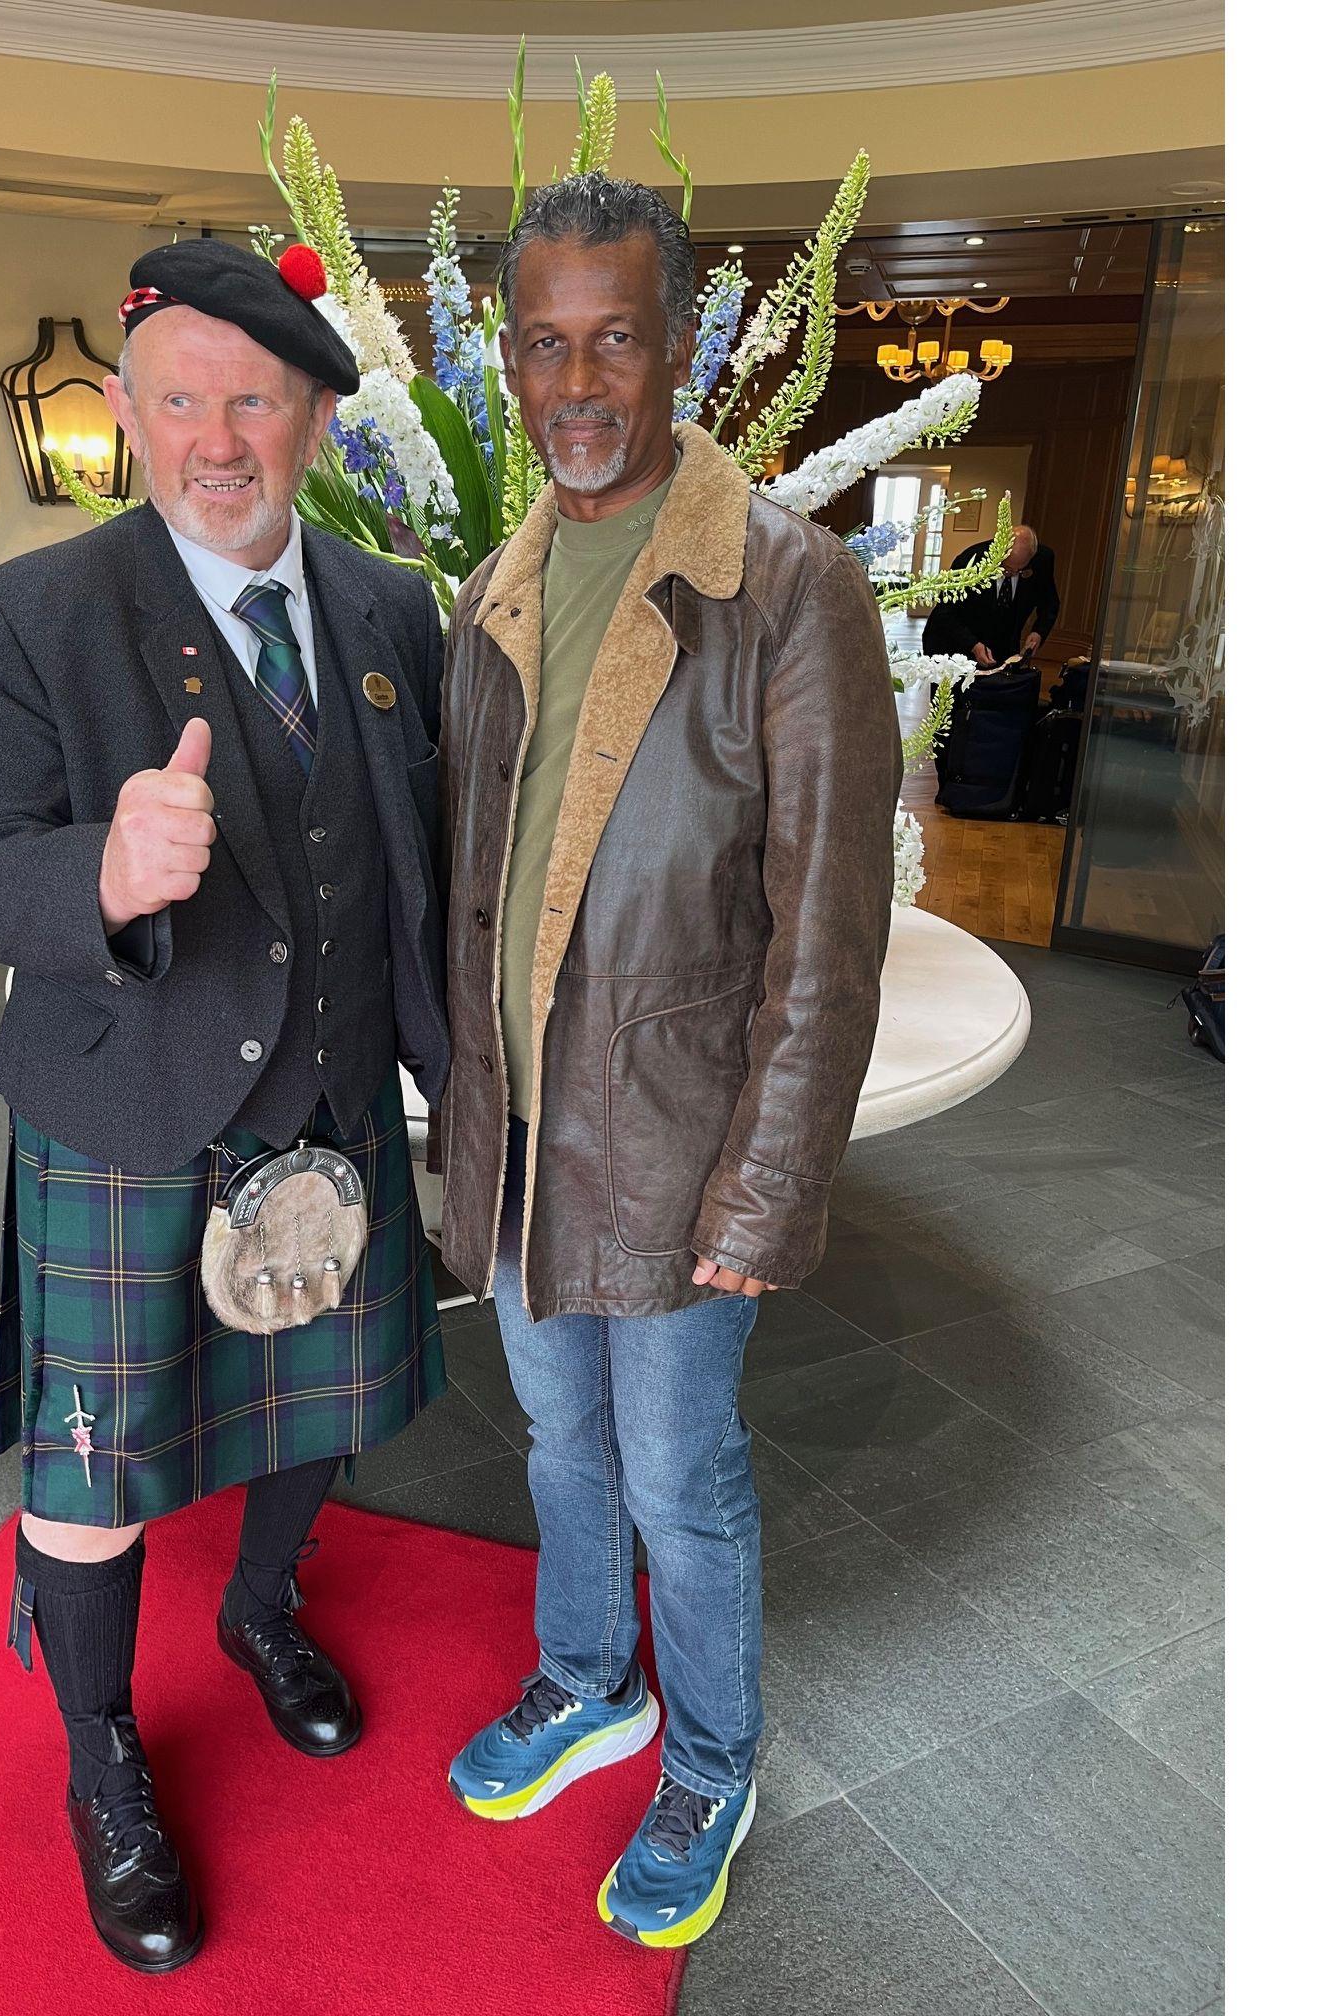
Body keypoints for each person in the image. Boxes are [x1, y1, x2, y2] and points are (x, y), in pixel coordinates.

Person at [0, 238, 450, 1974]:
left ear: (315, 418)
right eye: (178, 403)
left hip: (338, 1100)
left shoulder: (387, 608)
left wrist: (464, 1086)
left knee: (321, 1404)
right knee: (93, 1460)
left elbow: (422, 861)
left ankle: (258, 1607)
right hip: (127, 1112)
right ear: (127, 412)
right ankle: (100, 1757)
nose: (215, 440)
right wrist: (105, 868)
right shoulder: (28, 615)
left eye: (254, 402)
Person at [430, 174, 900, 1949]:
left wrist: (765, 1189)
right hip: (524, 1141)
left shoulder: (784, 586)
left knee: (677, 1482)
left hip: (682, 1146)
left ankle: (709, 1756)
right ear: (511, 359)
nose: (576, 381)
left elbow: (826, 930)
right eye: (544, 344)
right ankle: (588, 1681)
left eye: (613, 338)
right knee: (558, 1444)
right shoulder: (497, 587)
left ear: (680, 344)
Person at [923, 522, 1059, 665]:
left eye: (1019, 570)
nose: (1011, 573)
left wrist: (1038, 632)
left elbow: (1050, 603)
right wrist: (973, 644)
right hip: (955, 644)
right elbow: (944, 612)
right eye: (1006, 568)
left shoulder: (1042, 560)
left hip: (1004, 646)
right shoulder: (970, 561)